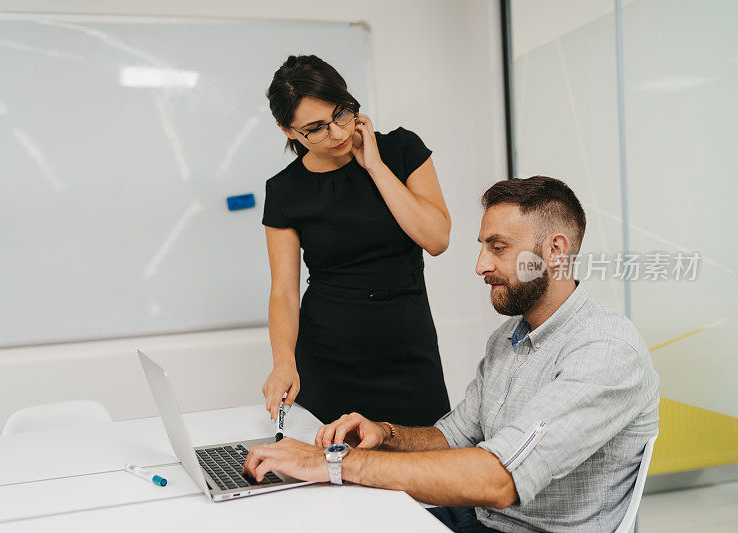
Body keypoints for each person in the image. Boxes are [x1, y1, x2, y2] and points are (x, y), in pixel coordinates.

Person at [244, 176, 660, 533]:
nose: (480, 265)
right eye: (482, 247)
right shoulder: (507, 340)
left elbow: (501, 478)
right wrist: (383, 435)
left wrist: (335, 463)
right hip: (475, 521)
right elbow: (452, 437)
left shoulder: (604, 350)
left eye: (498, 248)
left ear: (555, 250)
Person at [260, 54, 451, 426]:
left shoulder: (400, 150)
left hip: (407, 347)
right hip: (329, 357)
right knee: (333, 474)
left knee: (426, 468)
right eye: (315, 128)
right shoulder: (284, 190)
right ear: (288, 131)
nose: (338, 134)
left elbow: (437, 237)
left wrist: (375, 167)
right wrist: (284, 363)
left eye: (342, 114)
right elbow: (283, 290)